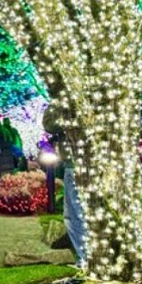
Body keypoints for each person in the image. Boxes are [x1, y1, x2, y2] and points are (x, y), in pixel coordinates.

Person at [42, 106, 86, 263]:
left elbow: (49, 125)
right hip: (80, 163)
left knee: (76, 214)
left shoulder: (65, 103)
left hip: (76, 164)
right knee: (75, 214)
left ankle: (86, 259)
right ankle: (86, 258)